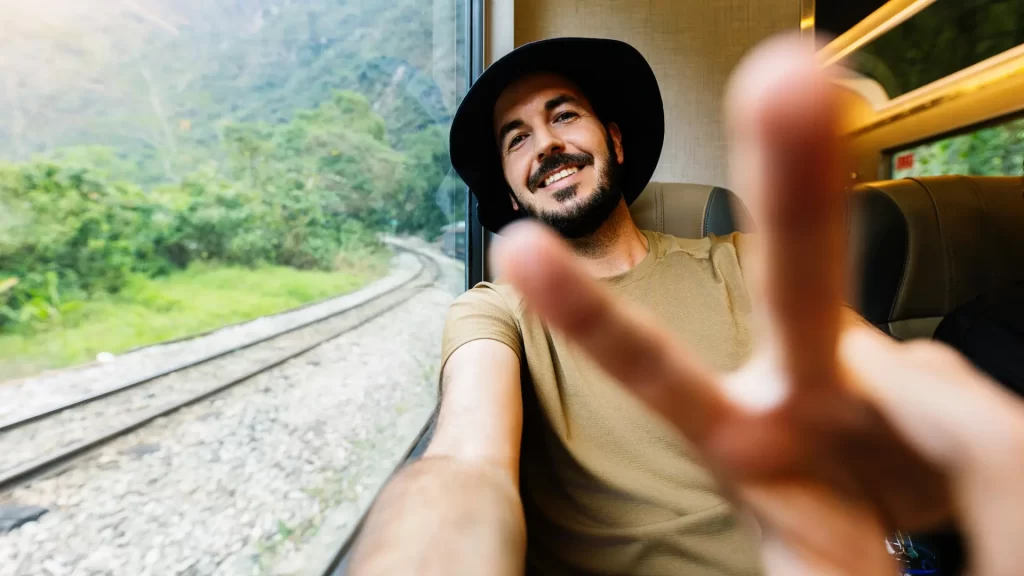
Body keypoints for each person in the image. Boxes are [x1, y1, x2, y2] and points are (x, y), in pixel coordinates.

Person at [350, 35, 1024, 576]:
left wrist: (949, 434)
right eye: (517, 137)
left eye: (563, 115)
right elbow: (466, 463)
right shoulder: (492, 312)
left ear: (613, 140)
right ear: (510, 192)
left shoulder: (745, 261)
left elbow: (864, 365)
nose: (547, 143)